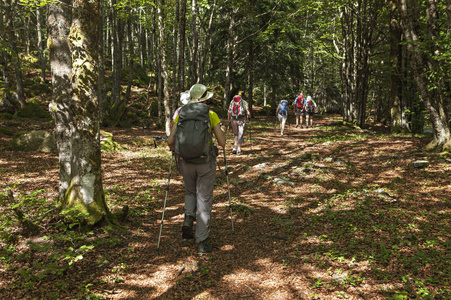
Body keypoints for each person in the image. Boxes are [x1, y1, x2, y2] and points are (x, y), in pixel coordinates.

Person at [167, 84, 226, 254]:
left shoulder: (181, 113)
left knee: (190, 192)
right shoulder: (211, 114)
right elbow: (222, 143)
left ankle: (188, 219)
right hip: (205, 163)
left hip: (186, 161)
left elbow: (170, 141)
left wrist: (176, 151)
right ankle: (202, 241)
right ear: (204, 98)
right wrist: (222, 131)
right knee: (204, 199)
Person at [227, 91, 251, 155]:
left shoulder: (232, 101)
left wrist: (229, 119)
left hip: (233, 119)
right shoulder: (244, 102)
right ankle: (239, 149)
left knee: (235, 133)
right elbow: (248, 112)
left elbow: (229, 111)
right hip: (241, 119)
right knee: (240, 133)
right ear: (243, 96)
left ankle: (234, 146)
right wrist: (249, 118)